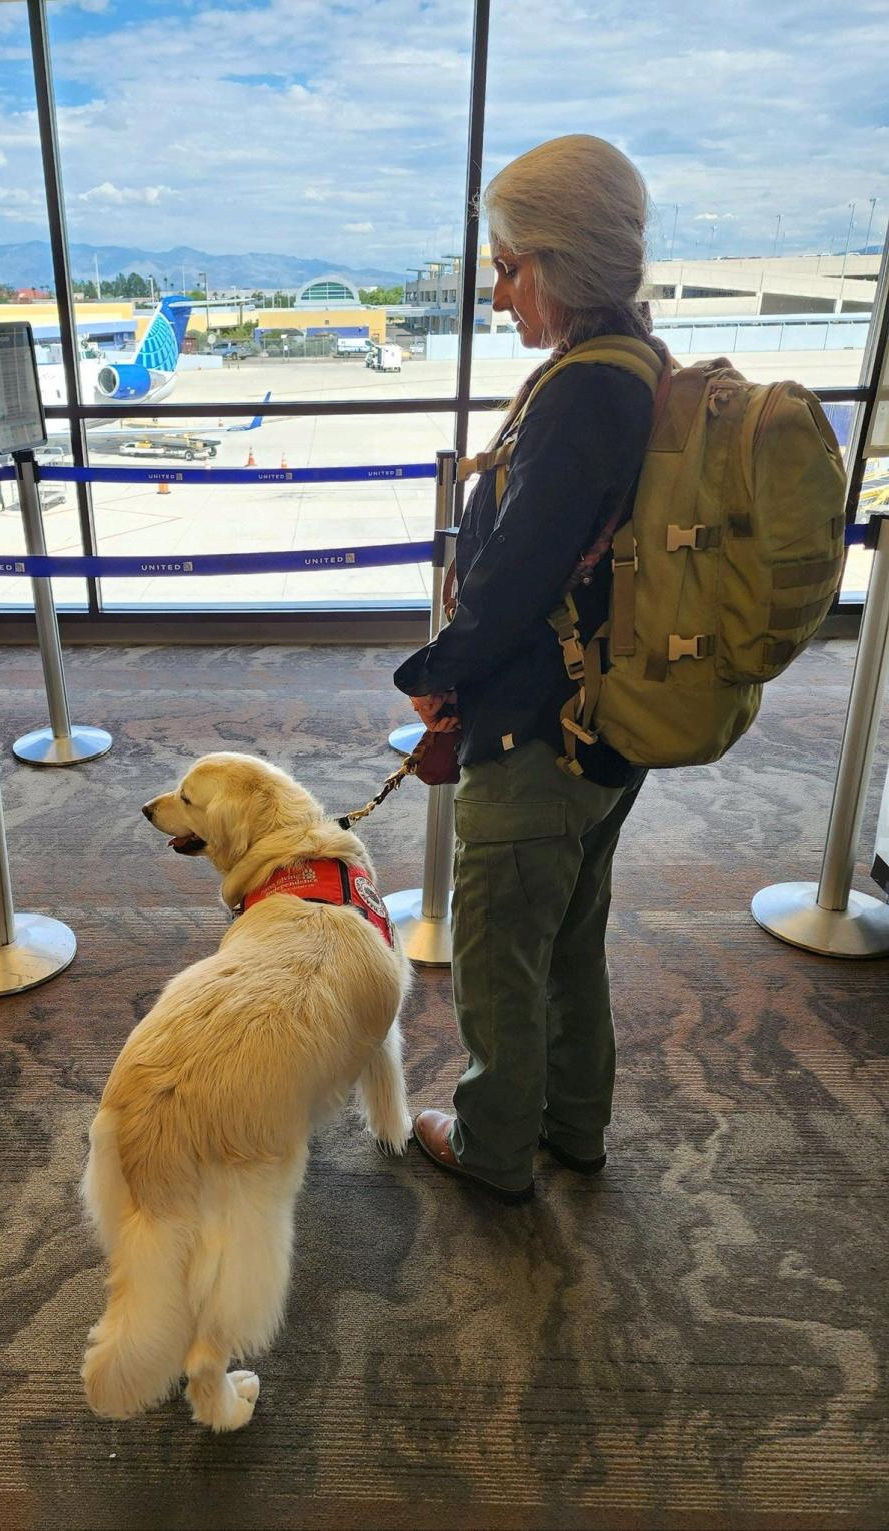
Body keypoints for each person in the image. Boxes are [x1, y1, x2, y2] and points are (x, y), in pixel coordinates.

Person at [393, 134, 662, 1205]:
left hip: (537, 736)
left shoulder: (581, 396)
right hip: (604, 723)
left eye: (511, 267)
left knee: (501, 954)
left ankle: (496, 1145)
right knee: (569, 940)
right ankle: (575, 1125)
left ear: (565, 261)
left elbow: (513, 580)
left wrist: (432, 671)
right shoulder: (636, 368)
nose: (499, 293)